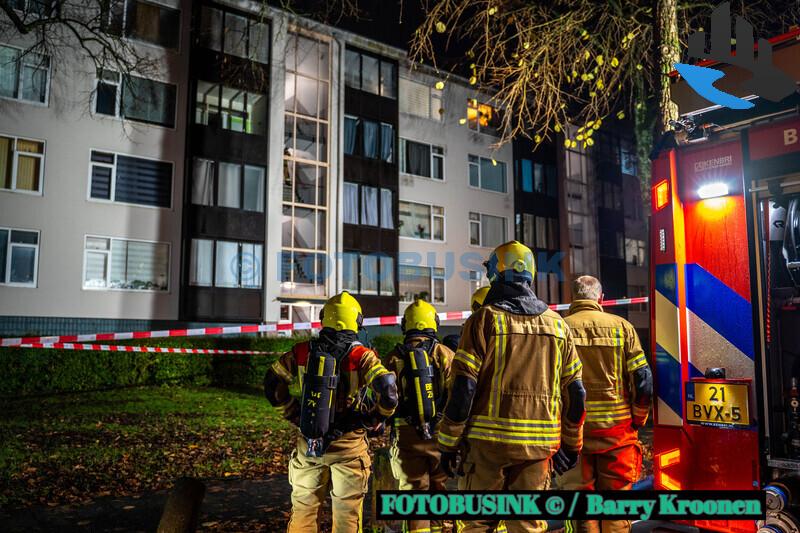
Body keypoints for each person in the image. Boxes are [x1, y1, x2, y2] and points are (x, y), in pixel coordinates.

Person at [437, 241, 586, 533]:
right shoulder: (558, 326)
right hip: (537, 451)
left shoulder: (483, 320)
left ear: (496, 274)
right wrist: (572, 444)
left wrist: (448, 443)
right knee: (528, 525)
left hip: (485, 450)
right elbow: (576, 393)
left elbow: (463, 389)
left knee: (477, 525)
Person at [263, 291, 398, 533]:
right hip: (350, 447)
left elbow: (272, 383)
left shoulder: (302, 351)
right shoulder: (362, 356)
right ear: (356, 321)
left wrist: (292, 412)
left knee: (303, 512)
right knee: (347, 516)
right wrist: (374, 419)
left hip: (309, 444)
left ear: (324, 318)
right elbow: (388, 391)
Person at [560, 276, 653, 533]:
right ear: (601, 299)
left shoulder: (559, 328)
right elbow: (643, 380)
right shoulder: (622, 327)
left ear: (573, 299)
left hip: (572, 437)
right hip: (617, 434)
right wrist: (638, 418)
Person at [385, 299, 454, 533]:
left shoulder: (392, 358)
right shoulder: (444, 354)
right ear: (434, 324)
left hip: (406, 437)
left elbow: (382, 399)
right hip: (440, 436)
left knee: (414, 497)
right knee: (439, 487)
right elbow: (459, 396)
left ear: (405, 325)